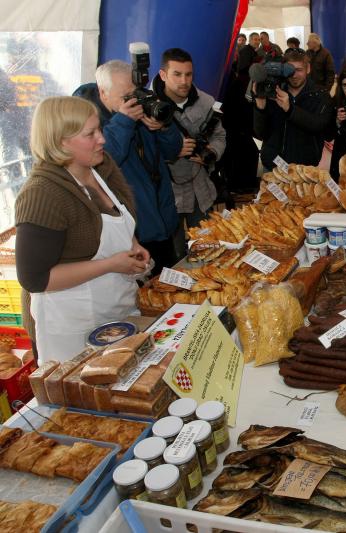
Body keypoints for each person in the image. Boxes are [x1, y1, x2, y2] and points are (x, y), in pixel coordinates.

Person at [15, 96, 149, 362]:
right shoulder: (42, 194)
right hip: (73, 327)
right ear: (60, 141)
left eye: (99, 129)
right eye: (90, 134)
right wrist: (110, 264)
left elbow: (117, 215)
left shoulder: (101, 166)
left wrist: (132, 245)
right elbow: (35, 279)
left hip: (118, 310)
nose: (102, 139)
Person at [74, 60, 182, 272]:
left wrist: (164, 127)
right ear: (103, 93)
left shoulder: (139, 111)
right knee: (142, 299)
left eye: (136, 93)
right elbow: (104, 161)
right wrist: (124, 121)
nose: (133, 101)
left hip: (163, 223)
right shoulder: (90, 127)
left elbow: (173, 151)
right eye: (126, 97)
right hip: (133, 235)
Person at [154, 48, 226, 233]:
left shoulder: (207, 102)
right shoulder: (149, 107)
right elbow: (140, 151)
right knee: (174, 255)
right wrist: (172, 150)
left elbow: (219, 136)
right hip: (166, 196)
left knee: (207, 246)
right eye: (177, 74)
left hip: (201, 192)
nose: (184, 81)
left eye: (188, 74)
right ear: (163, 75)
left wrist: (211, 153)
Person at [252, 49, 332, 170]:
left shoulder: (321, 95)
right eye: (289, 70)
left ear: (308, 69)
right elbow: (261, 133)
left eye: (299, 70)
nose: (294, 75)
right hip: (274, 166)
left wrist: (290, 109)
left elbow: (318, 125)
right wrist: (260, 108)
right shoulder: (273, 91)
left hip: (305, 169)